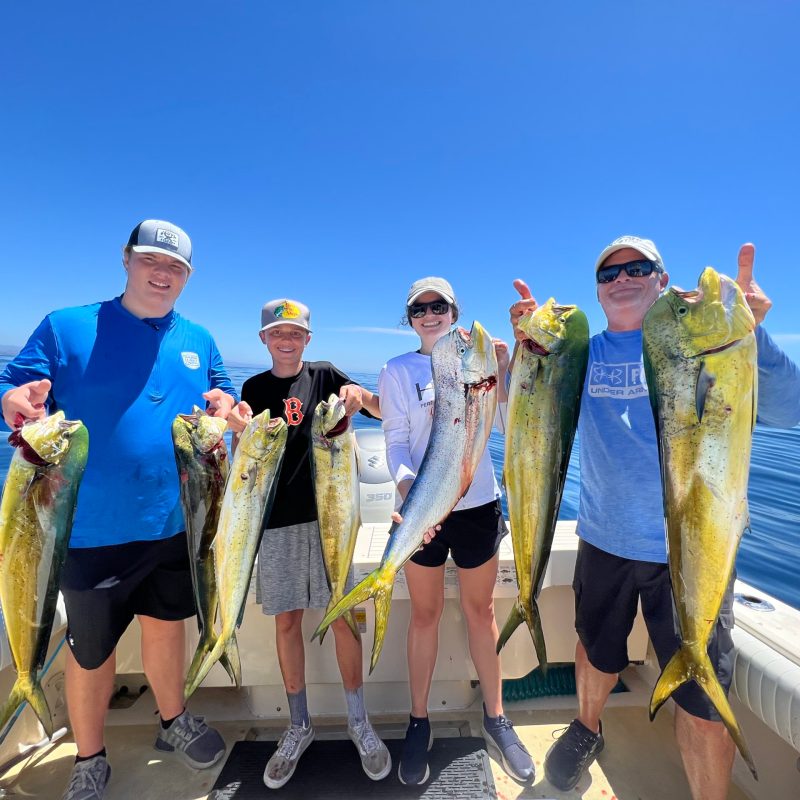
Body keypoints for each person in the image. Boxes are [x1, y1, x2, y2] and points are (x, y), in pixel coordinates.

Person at [509, 237, 800, 800]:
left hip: (691, 553)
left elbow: (790, 411)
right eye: (609, 272)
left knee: (700, 693)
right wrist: (523, 345)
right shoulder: (579, 354)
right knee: (595, 650)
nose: (622, 277)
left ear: (663, 281)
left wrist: (750, 333)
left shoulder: (712, 352)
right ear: (597, 290)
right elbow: (517, 407)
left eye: (638, 267)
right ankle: (587, 727)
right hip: (603, 537)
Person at [0, 220, 247, 800]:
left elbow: (224, 392)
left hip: (176, 524)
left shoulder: (199, 338)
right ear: (126, 260)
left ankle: (172, 721)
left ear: (188, 277)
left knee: (168, 632)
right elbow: (15, 389)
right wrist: (15, 402)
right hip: (85, 529)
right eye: (151, 262)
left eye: (177, 269)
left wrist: (228, 405)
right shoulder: (67, 327)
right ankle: (89, 756)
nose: (163, 276)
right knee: (91, 653)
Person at [378, 277, 535, 786]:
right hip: (423, 510)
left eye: (438, 305)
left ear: (454, 310)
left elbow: (514, 420)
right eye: (418, 309)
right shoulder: (396, 371)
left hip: (478, 505)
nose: (429, 314)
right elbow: (396, 443)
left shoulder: (484, 360)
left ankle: (496, 716)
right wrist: (410, 496)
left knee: (481, 611)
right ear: (410, 319)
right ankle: (418, 721)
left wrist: (509, 368)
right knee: (424, 615)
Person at [234, 298, 391, 790]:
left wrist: (360, 396)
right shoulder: (253, 388)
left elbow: (385, 410)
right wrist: (237, 432)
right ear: (263, 339)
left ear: (308, 338)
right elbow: (247, 460)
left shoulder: (323, 375)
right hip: (276, 525)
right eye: (277, 333)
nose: (286, 340)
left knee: (342, 616)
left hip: (333, 519)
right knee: (287, 623)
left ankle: (358, 720)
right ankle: (298, 724)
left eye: (295, 333)